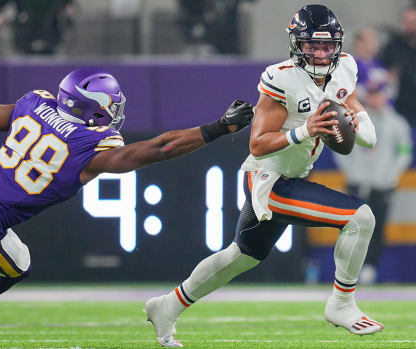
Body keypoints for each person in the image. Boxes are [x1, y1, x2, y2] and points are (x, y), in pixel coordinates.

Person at [0, 67, 254, 346]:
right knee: (16, 266)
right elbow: (158, 149)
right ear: (96, 109)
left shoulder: (34, 103)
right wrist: (219, 127)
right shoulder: (92, 147)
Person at [145, 5, 382, 347]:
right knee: (361, 218)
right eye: (311, 46)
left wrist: (363, 126)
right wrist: (304, 131)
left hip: (292, 175)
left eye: (326, 46)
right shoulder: (281, 77)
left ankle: (167, 306)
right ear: (295, 45)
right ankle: (341, 303)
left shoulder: (345, 66)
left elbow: (350, 101)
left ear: (337, 45)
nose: (319, 53)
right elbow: (257, 144)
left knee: (240, 257)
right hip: (269, 179)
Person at [334, 72, 413, 285]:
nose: (374, 98)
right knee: (350, 227)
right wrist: (350, 172)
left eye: (378, 93)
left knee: (377, 228)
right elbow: (339, 147)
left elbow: (404, 153)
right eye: (371, 93)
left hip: (382, 184)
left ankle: (370, 267)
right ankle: (347, 269)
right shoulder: (352, 118)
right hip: (357, 182)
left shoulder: (397, 123)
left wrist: (392, 177)